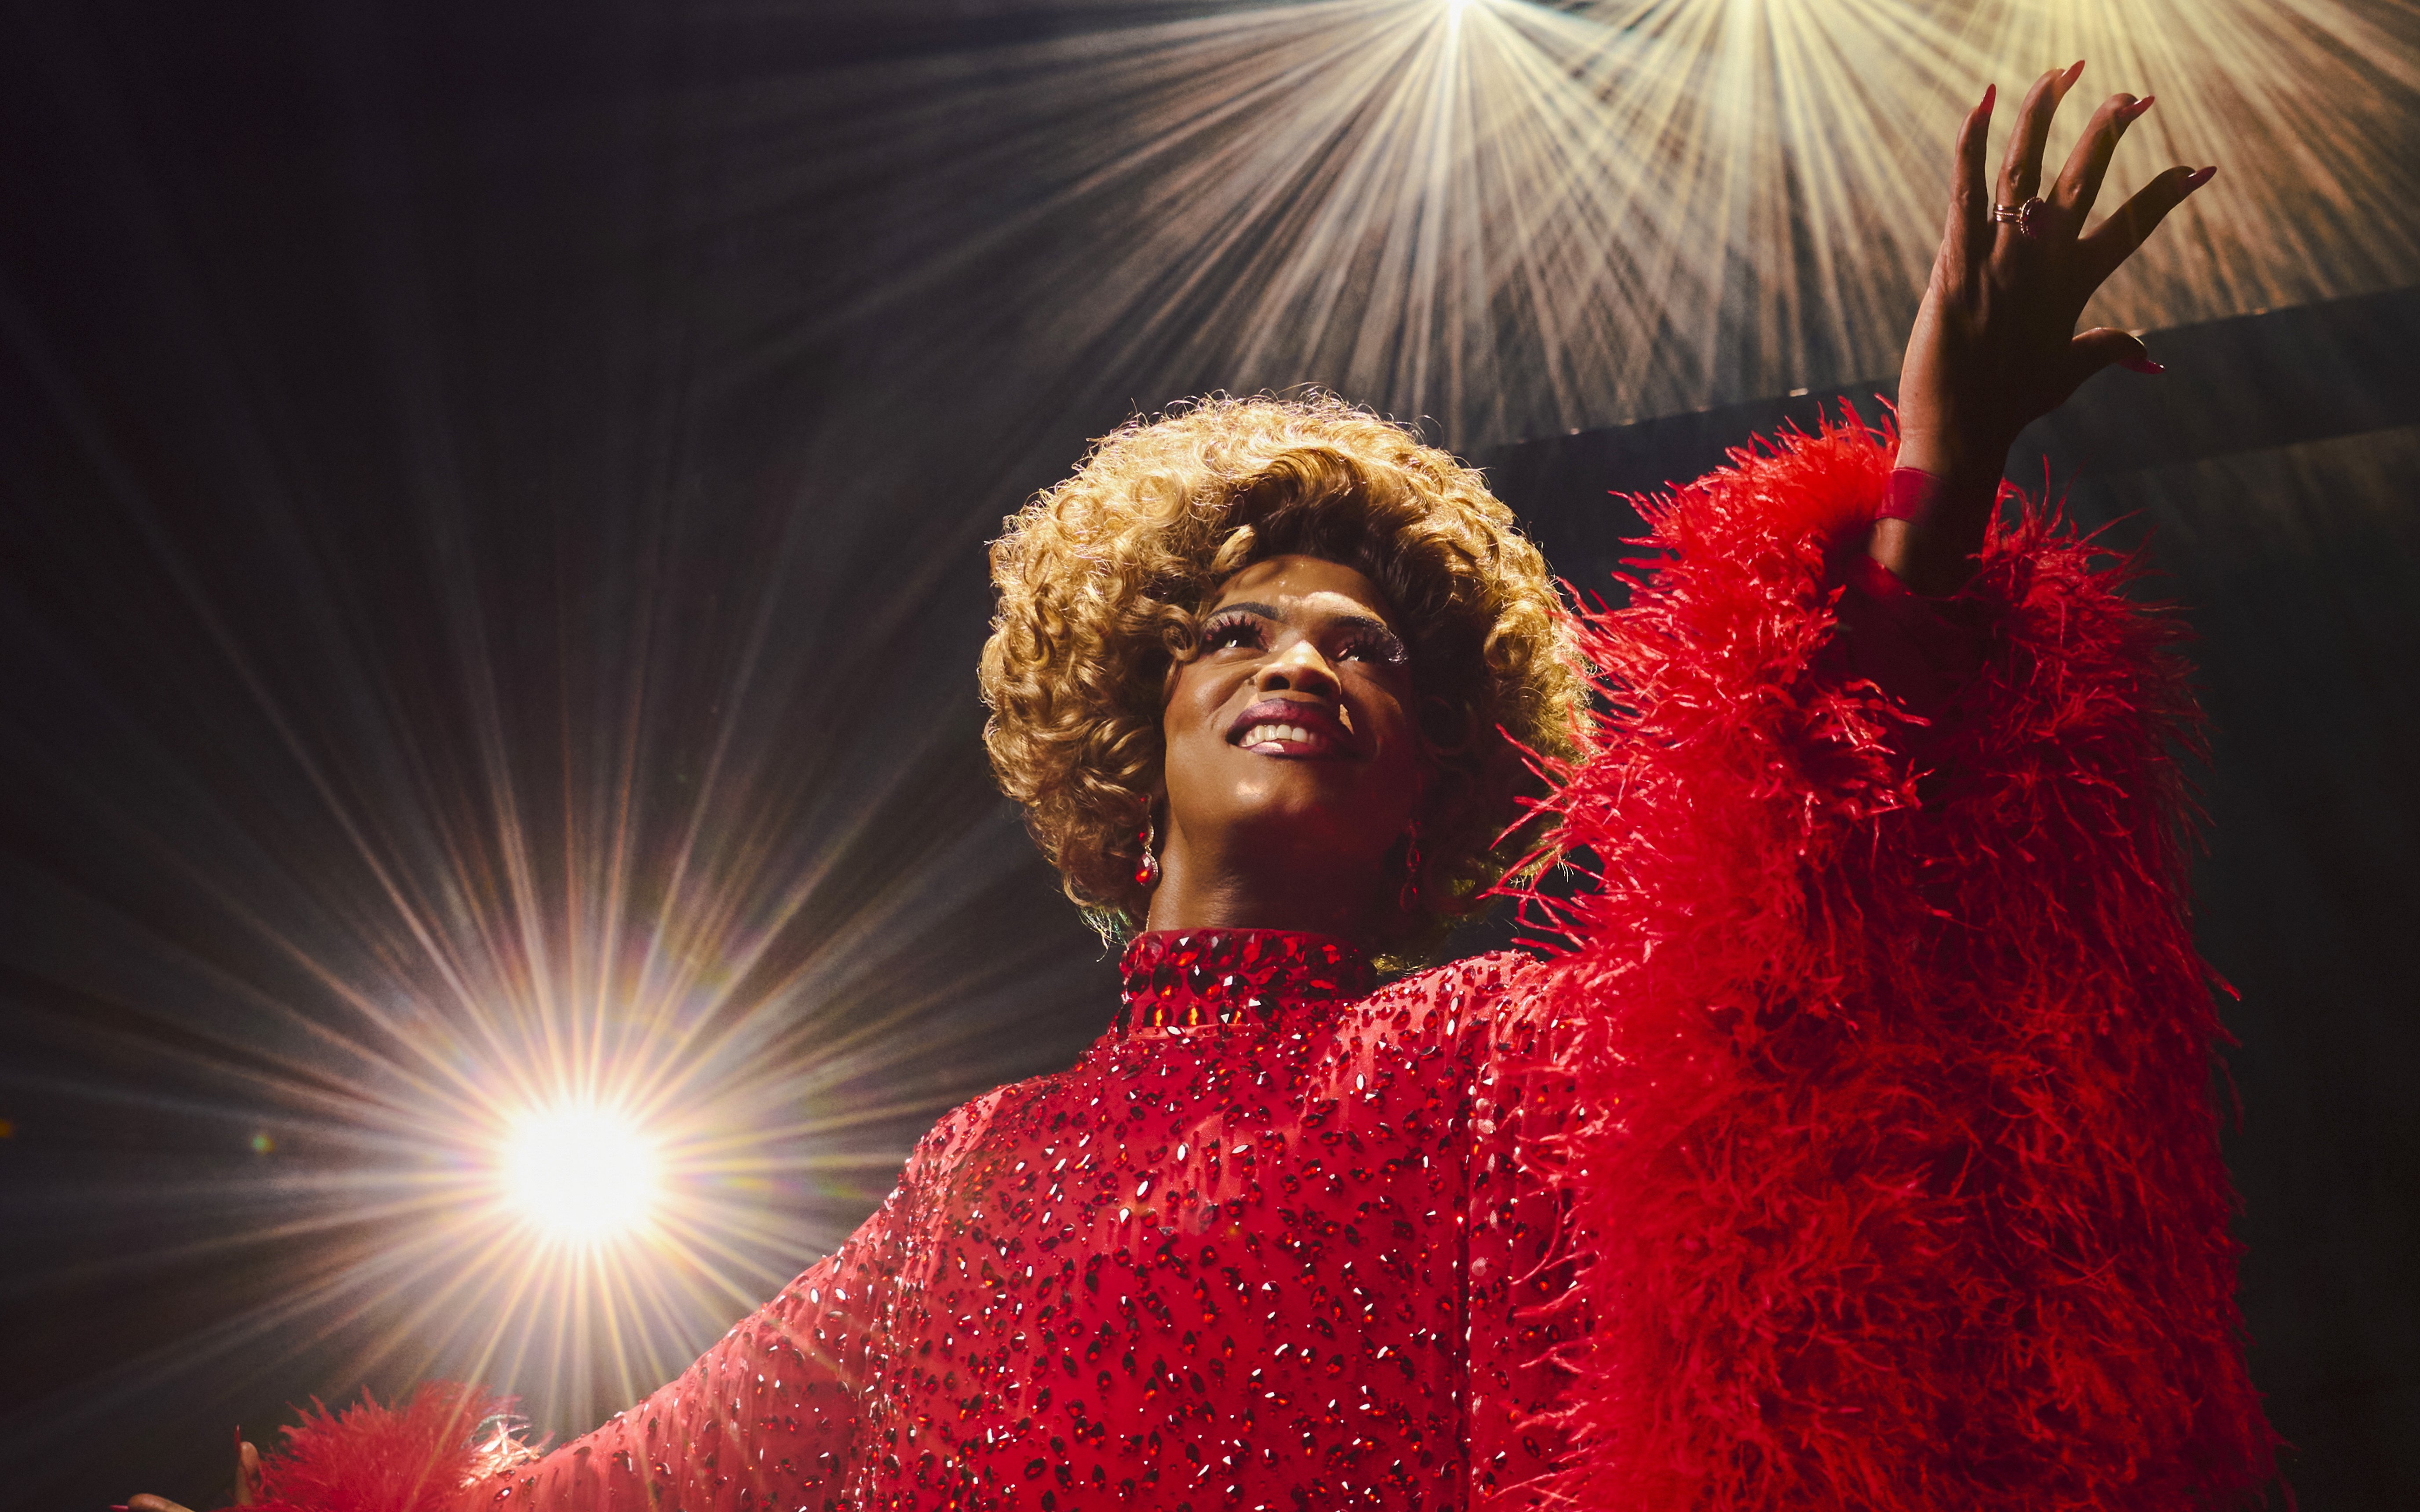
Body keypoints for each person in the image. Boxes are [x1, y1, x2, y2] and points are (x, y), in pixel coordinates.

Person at [135, 63, 2275, 1512]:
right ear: (1133, 731)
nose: (1301, 661)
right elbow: (646, 1481)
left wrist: (1927, 485)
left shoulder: (1505, 1052)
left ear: (1433, 778)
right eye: (1239, 629)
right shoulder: (972, 1181)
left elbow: (1834, 965)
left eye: (1367, 650)